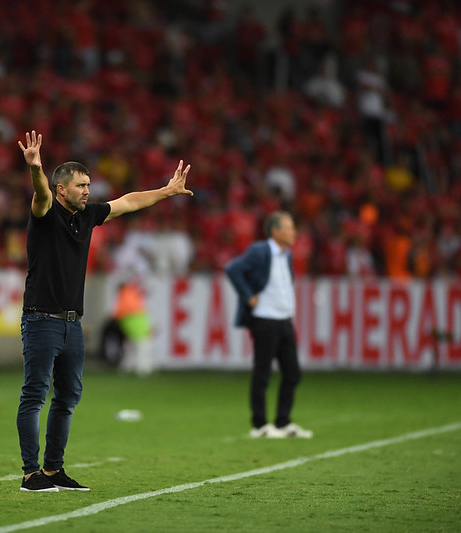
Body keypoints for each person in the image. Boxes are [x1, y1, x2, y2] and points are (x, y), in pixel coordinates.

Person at [16, 130, 192, 491]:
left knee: (66, 398)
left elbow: (128, 202)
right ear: (61, 189)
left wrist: (166, 191)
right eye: (81, 185)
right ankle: (30, 473)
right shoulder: (46, 213)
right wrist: (36, 169)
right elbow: (40, 193)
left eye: (89, 184)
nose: (87, 190)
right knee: (35, 396)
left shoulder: (88, 216)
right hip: (41, 319)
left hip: (71, 324)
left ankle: (53, 470)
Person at [224, 211, 313, 439]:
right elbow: (233, 269)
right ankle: (260, 425)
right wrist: (247, 295)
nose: (293, 232)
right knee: (262, 373)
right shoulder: (260, 251)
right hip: (264, 319)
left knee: (292, 373)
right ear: (274, 231)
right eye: (289, 227)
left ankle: (283, 422)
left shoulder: (287, 255)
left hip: (284, 319)